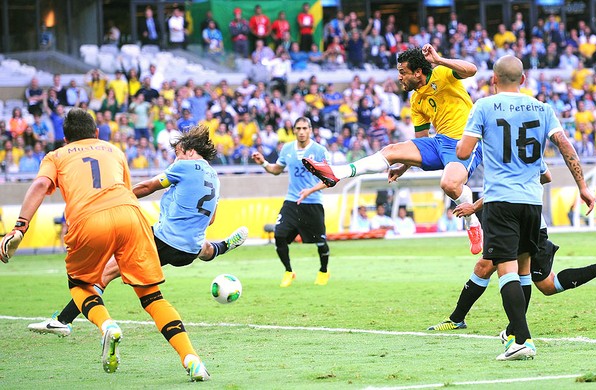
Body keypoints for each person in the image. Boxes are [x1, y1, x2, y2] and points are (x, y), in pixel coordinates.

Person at [0, 110, 210, 381]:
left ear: (65, 138)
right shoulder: (114, 151)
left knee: (80, 286)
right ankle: (191, 359)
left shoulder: (57, 156)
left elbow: (41, 183)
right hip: (132, 217)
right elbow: (125, 187)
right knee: (151, 296)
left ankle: (106, 324)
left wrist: (20, 226)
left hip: (89, 220)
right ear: (97, 132)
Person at [28, 124, 248, 337]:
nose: (175, 159)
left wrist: (116, 197)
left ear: (191, 151)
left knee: (105, 272)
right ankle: (223, 246)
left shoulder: (184, 166)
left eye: (178, 154)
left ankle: (62, 321)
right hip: (190, 249)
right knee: (202, 247)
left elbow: (147, 187)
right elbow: (211, 220)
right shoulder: (215, 178)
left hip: (164, 240)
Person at [455, 55, 595, 361]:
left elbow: (463, 151)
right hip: (533, 202)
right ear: (524, 79)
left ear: (494, 80)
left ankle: (521, 339)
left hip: (500, 201)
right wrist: (583, 187)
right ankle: (518, 336)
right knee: (523, 272)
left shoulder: (484, 106)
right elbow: (565, 146)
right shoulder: (543, 108)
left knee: (505, 271)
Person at [302, 45, 484, 255]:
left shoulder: (442, 73)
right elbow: (421, 141)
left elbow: (471, 70)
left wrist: (439, 59)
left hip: (465, 141)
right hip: (439, 142)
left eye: (402, 72)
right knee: (391, 150)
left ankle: (473, 224)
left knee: (449, 184)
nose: (399, 77)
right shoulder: (416, 99)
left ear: (418, 73)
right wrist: (403, 166)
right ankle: (336, 173)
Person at [428, 197, 596, 332]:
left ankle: (516, 331)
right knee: (546, 284)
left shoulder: (507, 151)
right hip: (527, 218)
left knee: (499, 269)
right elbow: (545, 176)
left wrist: (474, 207)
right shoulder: (526, 149)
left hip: (519, 220)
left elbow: (503, 187)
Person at [251, 117, 331, 288]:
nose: (301, 132)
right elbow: (276, 170)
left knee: (320, 242)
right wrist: (264, 163)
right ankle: (288, 271)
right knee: (279, 235)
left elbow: (330, 179)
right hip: (292, 201)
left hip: (313, 202)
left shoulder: (319, 150)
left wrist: (311, 190)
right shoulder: (287, 149)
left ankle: (324, 271)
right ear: (293, 130)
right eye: (298, 128)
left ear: (310, 130)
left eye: (304, 128)